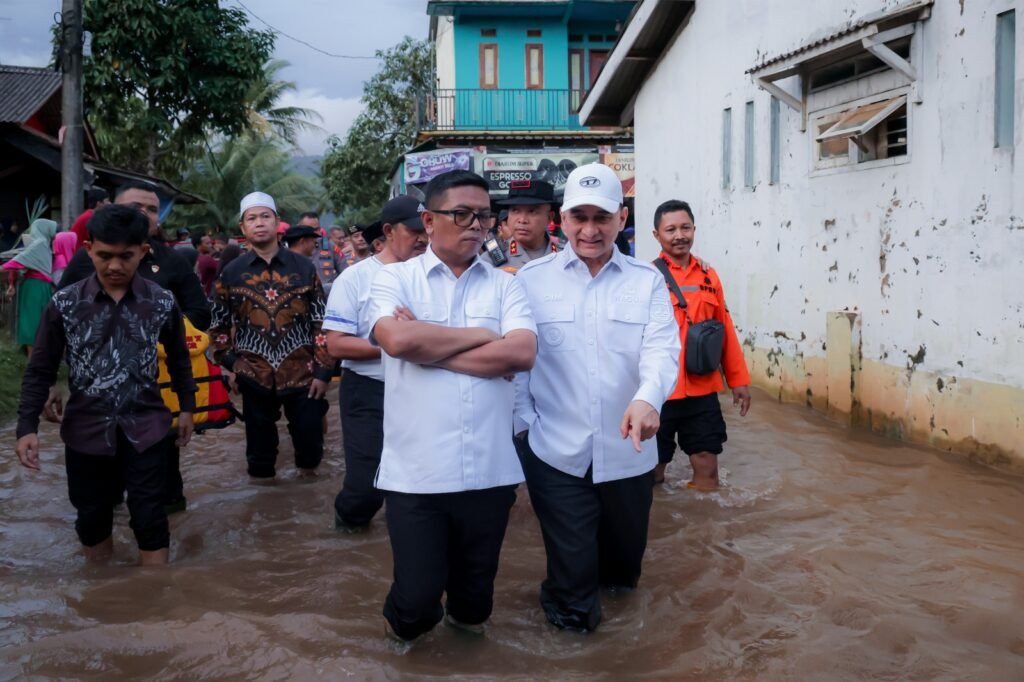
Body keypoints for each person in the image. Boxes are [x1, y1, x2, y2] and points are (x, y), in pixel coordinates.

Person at [369, 170, 537, 641]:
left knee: (474, 604)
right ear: (428, 220)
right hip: (416, 473)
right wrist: (484, 337)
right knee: (416, 599)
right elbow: (397, 339)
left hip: (490, 469)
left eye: (483, 215)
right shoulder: (394, 280)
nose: (476, 225)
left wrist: (431, 349)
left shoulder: (507, 286)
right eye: (461, 214)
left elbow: (521, 353)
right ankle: (402, 653)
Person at [513, 163, 680, 633]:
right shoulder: (529, 281)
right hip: (554, 453)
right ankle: (572, 643)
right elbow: (519, 366)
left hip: (628, 454)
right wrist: (525, 429)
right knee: (573, 584)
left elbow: (662, 349)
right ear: (561, 220)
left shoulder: (646, 282)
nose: (590, 230)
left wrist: (649, 399)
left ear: (621, 219)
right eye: (579, 217)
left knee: (624, 575)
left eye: (601, 217)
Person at [15, 204, 195, 566]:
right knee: (93, 519)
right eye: (105, 256)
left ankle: (156, 604)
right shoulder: (65, 303)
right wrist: (26, 426)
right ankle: (101, 599)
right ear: (88, 250)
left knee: (150, 517)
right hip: (86, 430)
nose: (115, 266)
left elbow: (178, 358)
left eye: (126, 256)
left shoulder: (161, 302)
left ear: (143, 252)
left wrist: (187, 408)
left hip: (147, 427)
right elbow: (41, 368)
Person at [57, 181, 210, 515]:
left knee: (162, 491)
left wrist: (156, 335)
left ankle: (163, 549)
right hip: (96, 401)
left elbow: (200, 312)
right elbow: (58, 322)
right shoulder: (87, 262)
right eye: (135, 207)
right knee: (100, 498)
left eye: (152, 209)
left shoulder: (172, 260)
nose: (144, 215)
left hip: (158, 393)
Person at [208, 191, 333, 481]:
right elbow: (218, 326)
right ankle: (265, 502)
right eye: (252, 218)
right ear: (243, 228)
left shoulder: (303, 268)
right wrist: (233, 364)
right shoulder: (231, 273)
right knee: (260, 457)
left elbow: (320, 322)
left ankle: (306, 503)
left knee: (310, 449)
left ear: (277, 223)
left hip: (303, 373)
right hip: (253, 375)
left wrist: (323, 372)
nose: (259, 223)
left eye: (266, 216)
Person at [323, 196, 429, 532]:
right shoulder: (354, 279)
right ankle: (349, 526)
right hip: (369, 391)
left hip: (423, 387)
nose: (423, 238)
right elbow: (336, 344)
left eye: (427, 228)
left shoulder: (434, 275)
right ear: (388, 231)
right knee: (366, 485)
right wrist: (399, 344)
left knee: (422, 478)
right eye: (414, 230)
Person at [651, 200, 751, 488]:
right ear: (656, 235)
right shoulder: (645, 277)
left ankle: (706, 528)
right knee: (652, 471)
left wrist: (738, 380)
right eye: (670, 229)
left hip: (702, 388)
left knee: (708, 464)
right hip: (660, 391)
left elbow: (725, 330)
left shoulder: (710, 276)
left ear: (694, 229)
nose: (679, 235)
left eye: (685, 227)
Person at [3, 219, 59, 355]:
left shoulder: (38, 245)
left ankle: (33, 362)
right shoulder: (43, 245)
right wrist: (11, 282)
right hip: (39, 287)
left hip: (34, 289)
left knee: (32, 325)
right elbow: (21, 261)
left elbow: (16, 262)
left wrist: (2, 268)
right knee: (39, 324)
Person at [494, 179, 561, 273]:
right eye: (515, 211)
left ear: (550, 217)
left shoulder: (566, 255)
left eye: (532, 211)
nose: (522, 220)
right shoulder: (492, 259)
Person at [295, 214, 347, 293]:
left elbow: (346, 273)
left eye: (317, 229)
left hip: (328, 297)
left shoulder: (328, 245)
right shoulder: (291, 248)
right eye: (309, 229)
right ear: (298, 227)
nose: (313, 233)